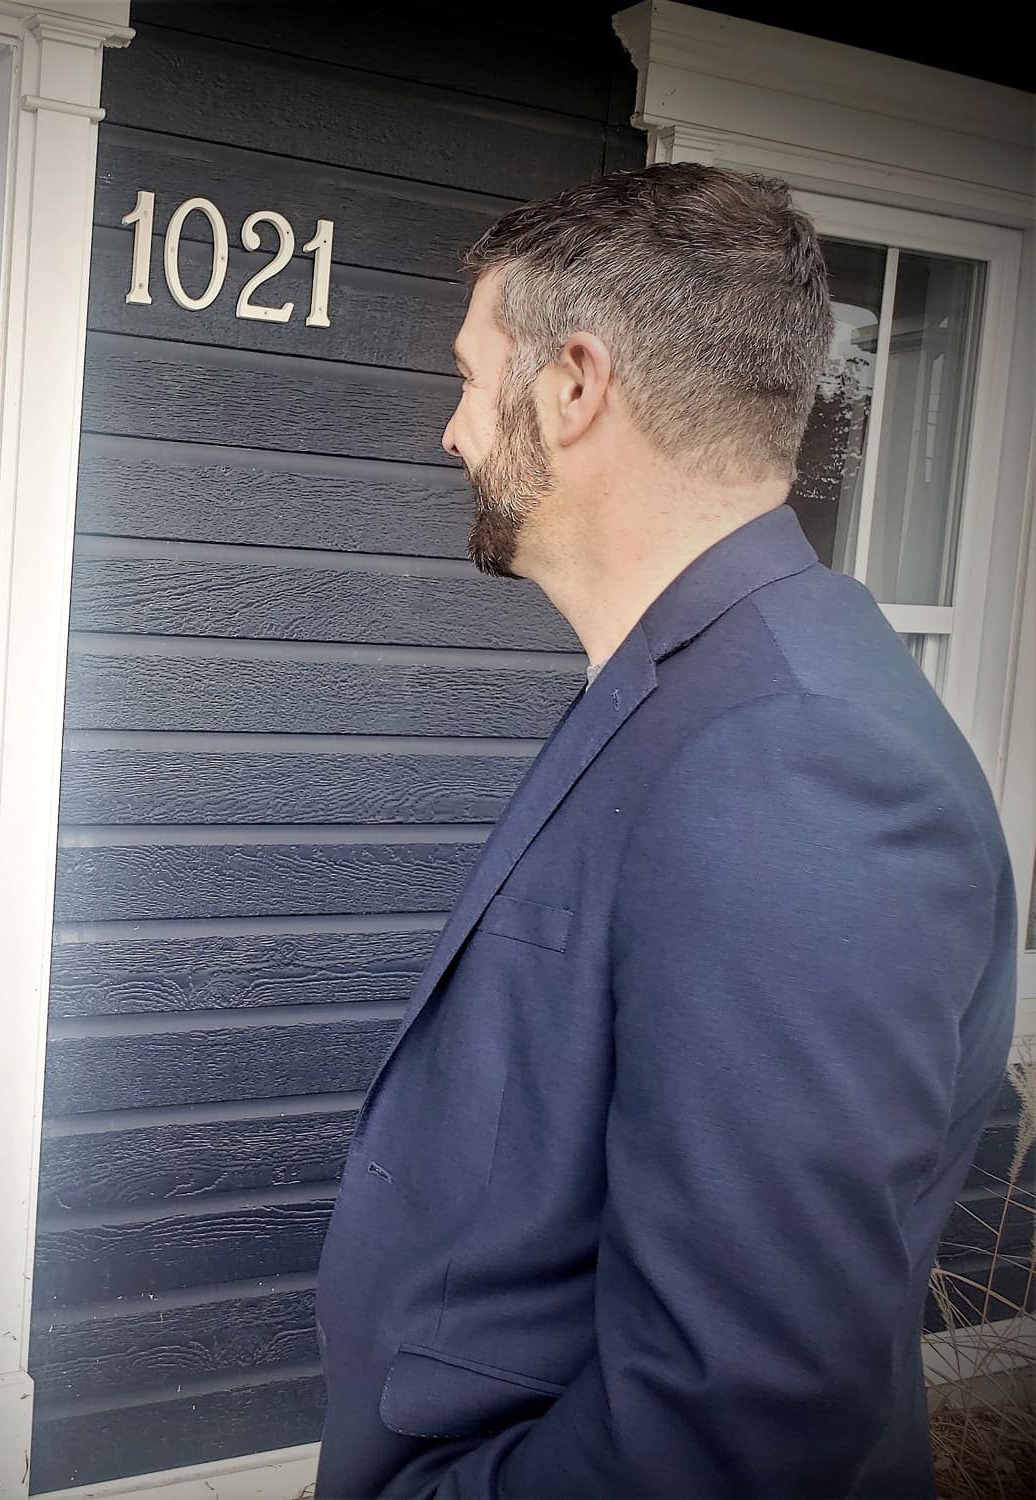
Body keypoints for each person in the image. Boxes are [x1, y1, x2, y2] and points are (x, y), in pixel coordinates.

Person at [314, 164, 1017, 1497]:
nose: (451, 433)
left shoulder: (798, 761)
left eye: (471, 377)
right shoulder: (698, 687)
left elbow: (729, 1423)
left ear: (574, 387)